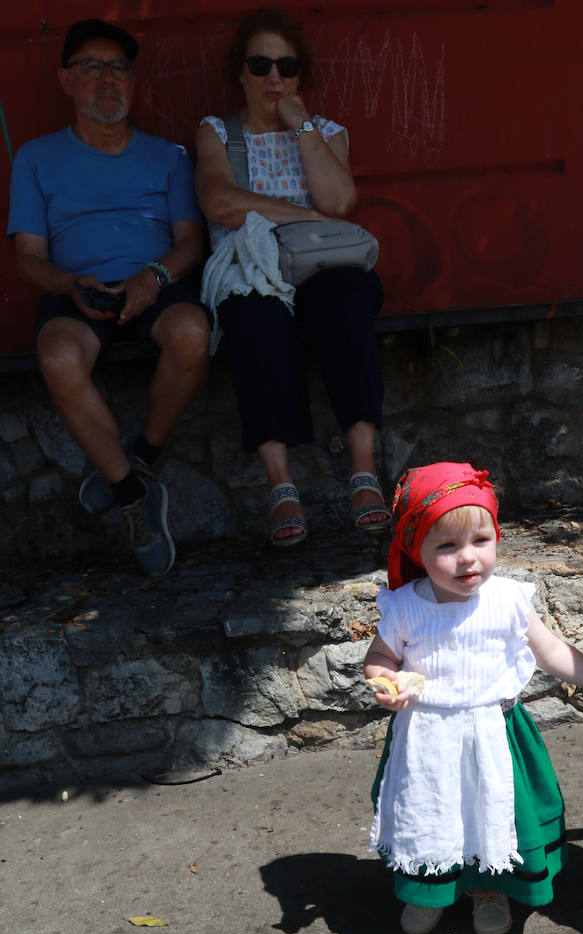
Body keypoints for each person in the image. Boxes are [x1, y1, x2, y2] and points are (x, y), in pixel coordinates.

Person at [363, 462, 583, 934]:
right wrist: (385, 681)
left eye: (479, 541)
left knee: (494, 811)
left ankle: (491, 888)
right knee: (434, 811)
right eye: (446, 546)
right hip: (428, 736)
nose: (468, 559)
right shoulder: (404, 606)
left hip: (497, 732)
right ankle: (431, 889)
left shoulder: (507, 598)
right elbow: (381, 655)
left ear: (496, 537)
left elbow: (549, 650)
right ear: (415, 548)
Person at [7, 18, 210, 578]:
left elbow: (190, 242)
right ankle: (131, 494)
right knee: (57, 357)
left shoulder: (168, 156)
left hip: (155, 283)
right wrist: (70, 285)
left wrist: (153, 278)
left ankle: (138, 460)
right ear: (65, 80)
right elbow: (28, 256)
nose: (106, 79)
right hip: (76, 290)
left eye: (117, 68)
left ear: (133, 82)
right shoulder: (35, 158)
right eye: (91, 68)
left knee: (195, 333)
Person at [195, 6, 388, 549]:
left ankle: (363, 471)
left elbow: (340, 200)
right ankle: (281, 484)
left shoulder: (324, 132)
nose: (273, 78)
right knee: (252, 319)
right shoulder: (217, 133)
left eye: (286, 66)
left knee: (346, 302)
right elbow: (218, 201)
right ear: (241, 73)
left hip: (321, 266)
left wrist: (299, 125)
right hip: (252, 269)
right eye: (260, 65)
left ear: (301, 75)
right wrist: (305, 216)